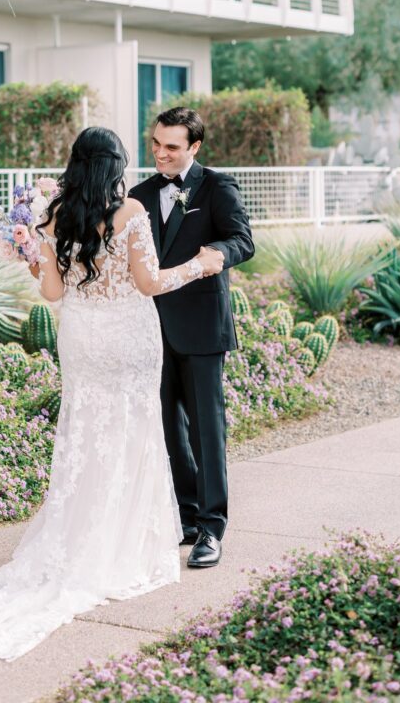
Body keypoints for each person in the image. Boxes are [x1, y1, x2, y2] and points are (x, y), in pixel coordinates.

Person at [0, 126, 223, 661]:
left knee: (84, 432)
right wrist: (202, 263)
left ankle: (79, 539)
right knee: (131, 431)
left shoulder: (57, 216)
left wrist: (37, 260)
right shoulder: (130, 213)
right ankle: (123, 544)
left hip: (82, 337)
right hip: (128, 336)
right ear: (116, 166)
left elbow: (53, 292)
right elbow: (149, 284)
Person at [129, 107, 254, 569]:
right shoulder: (139, 194)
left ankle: (212, 528)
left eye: (172, 147)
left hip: (202, 326)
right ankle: (184, 516)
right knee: (166, 427)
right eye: (157, 144)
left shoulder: (217, 187)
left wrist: (217, 254)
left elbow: (243, 240)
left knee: (206, 430)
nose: (161, 153)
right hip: (150, 328)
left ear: (195, 147)